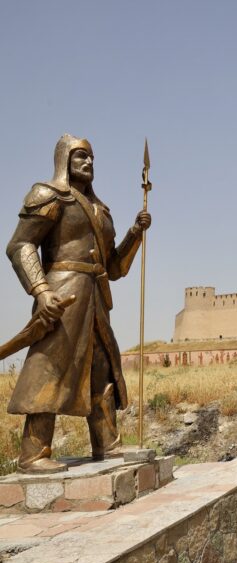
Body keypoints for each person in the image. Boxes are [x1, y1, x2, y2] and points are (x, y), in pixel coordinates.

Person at [6, 134, 151, 473]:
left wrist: (134, 233)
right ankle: (33, 454)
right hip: (62, 293)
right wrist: (41, 291)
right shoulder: (48, 195)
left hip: (96, 296)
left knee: (101, 367)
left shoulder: (101, 211)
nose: (88, 163)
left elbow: (114, 268)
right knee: (49, 367)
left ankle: (107, 444)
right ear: (64, 160)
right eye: (81, 156)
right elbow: (20, 246)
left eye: (91, 158)